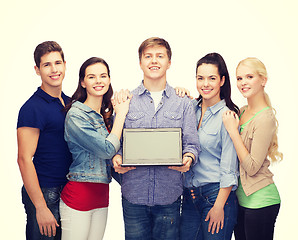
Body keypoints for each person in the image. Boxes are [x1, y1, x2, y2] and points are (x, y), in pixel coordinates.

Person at [112, 37, 200, 240]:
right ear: (140, 62)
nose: (154, 61)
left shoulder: (183, 103)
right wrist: (116, 158)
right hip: (133, 195)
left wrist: (188, 158)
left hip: (169, 196)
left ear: (169, 62)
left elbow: (192, 144)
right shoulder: (125, 101)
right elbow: (116, 143)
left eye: (160, 56)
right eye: (148, 56)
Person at [59, 57, 131, 240]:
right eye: (91, 77)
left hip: (101, 195)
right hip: (79, 196)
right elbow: (107, 149)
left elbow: (113, 154)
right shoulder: (76, 115)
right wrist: (121, 114)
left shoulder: (104, 116)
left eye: (103, 76)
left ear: (109, 80)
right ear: (83, 82)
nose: (98, 81)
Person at [179, 53, 239, 240]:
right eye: (200, 78)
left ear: (222, 80)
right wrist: (177, 91)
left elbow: (229, 167)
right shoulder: (189, 108)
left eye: (211, 78)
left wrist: (219, 206)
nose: (205, 84)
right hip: (189, 197)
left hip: (216, 196)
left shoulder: (228, 116)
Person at [17, 41, 72, 239]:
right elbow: (24, 158)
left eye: (57, 63)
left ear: (65, 65)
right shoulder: (33, 107)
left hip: (68, 191)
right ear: (37, 70)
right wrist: (40, 207)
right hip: (45, 192)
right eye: (46, 65)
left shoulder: (69, 102)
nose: (54, 69)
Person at [222, 57, 283, 240]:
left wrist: (233, 131)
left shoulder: (265, 118)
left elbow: (252, 166)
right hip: (241, 200)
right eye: (239, 78)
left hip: (261, 201)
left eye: (249, 77)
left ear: (263, 80)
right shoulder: (241, 111)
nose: (243, 83)